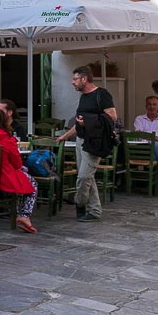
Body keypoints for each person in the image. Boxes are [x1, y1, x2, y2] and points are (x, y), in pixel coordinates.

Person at [57, 66, 117, 222]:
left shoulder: (101, 94)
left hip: (95, 142)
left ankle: (80, 203)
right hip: (81, 140)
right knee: (87, 177)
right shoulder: (83, 97)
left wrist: (88, 122)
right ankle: (95, 210)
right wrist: (65, 136)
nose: (72, 83)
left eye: (75, 79)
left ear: (84, 79)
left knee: (83, 177)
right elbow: (79, 123)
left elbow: (112, 116)